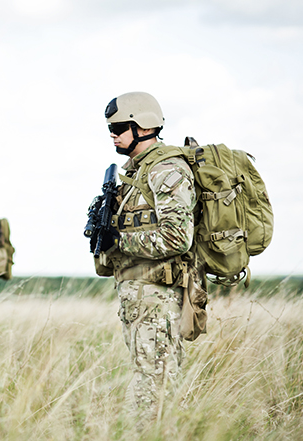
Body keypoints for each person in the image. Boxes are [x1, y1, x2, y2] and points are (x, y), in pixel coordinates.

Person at [95, 92, 197, 422]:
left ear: (143, 127)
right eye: (110, 126)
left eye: (119, 126)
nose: (112, 133)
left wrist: (119, 241)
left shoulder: (166, 170)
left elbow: (177, 236)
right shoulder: (135, 173)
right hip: (139, 296)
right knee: (148, 382)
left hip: (157, 296)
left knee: (155, 389)